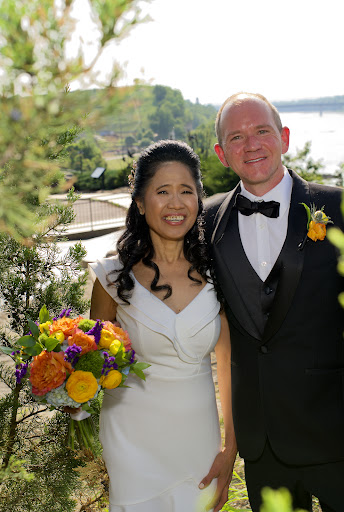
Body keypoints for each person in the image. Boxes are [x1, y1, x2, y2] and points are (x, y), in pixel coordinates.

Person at [204, 93, 344, 512]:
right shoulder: (208, 220)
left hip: (342, 435)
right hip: (263, 445)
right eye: (236, 137)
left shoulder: (341, 208)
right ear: (221, 154)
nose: (251, 145)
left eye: (261, 131)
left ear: (284, 138)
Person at [89, 140, 237, 512]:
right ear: (140, 203)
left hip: (198, 444)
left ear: (198, 199)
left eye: (186, 191)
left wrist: (230, 448)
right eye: (162, 192)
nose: (176, 203)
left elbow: (228, 367)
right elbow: (92, 364)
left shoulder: (219, 274)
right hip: (130, 443)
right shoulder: (111, 278)